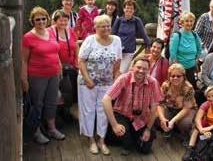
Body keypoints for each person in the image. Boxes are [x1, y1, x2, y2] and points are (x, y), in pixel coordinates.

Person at [21, 7, 65, 144]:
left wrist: (60, 66)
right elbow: (23, 60)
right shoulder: (28, 37)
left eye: (43, 18)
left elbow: (55, 51)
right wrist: (24, 79)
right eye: (37, 19)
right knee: (37, 104)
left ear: (47, 19)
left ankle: (52, 129)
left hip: (54, 74)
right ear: (32, 21)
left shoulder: (51, 32)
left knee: (52, 102)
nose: (41, 21)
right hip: (37, 76)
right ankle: (36, 131)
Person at [78, 15, 121, 155]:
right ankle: (90, 140)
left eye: (108, 25)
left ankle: (102, 140)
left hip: (107, 82)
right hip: (87, 82)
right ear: (95, 27)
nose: (106, 28)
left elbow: (118, 62)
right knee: (88, 110)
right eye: (103, 26)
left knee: (103, 111)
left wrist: (115, 80)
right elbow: (81, 61)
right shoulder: (90, 40)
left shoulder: (116, 40)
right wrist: (87, 79)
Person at [102, 58, 162, 156]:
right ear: (132, 67)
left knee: (145, 149)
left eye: (145, 69)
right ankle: (128, 138)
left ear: (149, 70)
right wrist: (114, 125)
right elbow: (105, 100)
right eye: (138, 67)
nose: (141, 71)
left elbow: (154, 108)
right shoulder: (124, 78)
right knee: (124, 138)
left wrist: (148, 129)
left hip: (141, 118)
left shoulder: (153, 82)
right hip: (122, 114)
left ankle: (131, 136)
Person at [184, 86, 213, 158]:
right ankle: (190, 148)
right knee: (196, 129)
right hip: (207, 125)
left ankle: (207, 151)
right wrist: (201, 129)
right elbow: (197, 118)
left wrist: (210, 128)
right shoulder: (206, 104)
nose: (211, 98)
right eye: (208, 96)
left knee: (212, 139)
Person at [48, 11, 79, 107]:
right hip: (57, 66)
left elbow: (76, 45)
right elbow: (51, 48)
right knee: (65, 89)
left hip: (71, 65)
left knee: (74, 88)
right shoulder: (50, 31)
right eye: (60, 20)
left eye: (65, 20)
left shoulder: (70, 30)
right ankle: (62, 111)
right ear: (55, 21)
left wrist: (78, 60)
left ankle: (70, 109)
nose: (63, 23)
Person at [157, 63, 197, 137]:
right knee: (157, 117)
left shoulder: (188, 88)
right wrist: (162, 118)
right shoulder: (165, 85)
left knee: (185, 124)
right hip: (170, 108)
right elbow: (160, 104)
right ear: (169, 77)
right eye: (173, 76)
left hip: (186, 110)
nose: (175, 78)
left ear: (183, 77)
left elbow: (186, 108)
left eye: (178, 76)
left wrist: (172, 121)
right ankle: (169, 130)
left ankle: (186, 135)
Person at [112, 0, 151, 74]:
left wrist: (149, 45)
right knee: (114, 71)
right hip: (117, 51)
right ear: (124, 9)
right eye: (127, 8)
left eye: (131, 8)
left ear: (134, 10)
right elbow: (113, 34)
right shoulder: (119, 20)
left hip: (129, 51)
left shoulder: (136, 21)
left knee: (122, 72)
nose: (129, 10)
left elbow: (143, 34)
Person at [169, 12, 203, 89]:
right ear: (182, 22)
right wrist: (177, 68)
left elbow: (199, 48)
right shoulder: (177, 35)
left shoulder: (194, 35)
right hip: (179, 70)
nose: (189, 23)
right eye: (187, 21)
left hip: (191, 68)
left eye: (191, 21)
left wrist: (196, 59)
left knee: (191, 90)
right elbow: (172, 53)